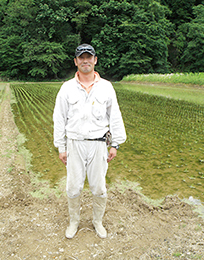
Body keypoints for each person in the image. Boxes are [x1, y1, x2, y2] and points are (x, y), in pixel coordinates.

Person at [53, 43, 126, 239]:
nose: (85, 61)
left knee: (99, 187)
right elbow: (59, 118)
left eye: (89, 57)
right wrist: (61, 147)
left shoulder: (106, 87)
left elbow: (115, 116)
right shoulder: (67, 88)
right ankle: (74, 222)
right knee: (73, 186)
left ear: (95, 60)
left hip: (99, 144)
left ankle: (97, 222)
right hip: (75, 143)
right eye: (81, 58)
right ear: (76, 62)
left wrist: (115, 144)